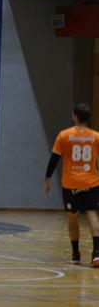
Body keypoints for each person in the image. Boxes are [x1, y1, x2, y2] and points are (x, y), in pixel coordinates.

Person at [44, 103, 99, 267]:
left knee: (72, 216)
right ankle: (97, 254)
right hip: (91, 182)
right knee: (92, 214)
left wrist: (47, 178)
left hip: (71, 183)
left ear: (74, 116)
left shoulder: (64, 135)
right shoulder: (96, 136)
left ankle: (76, 255)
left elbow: (54, 159)